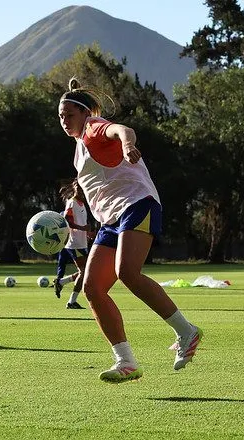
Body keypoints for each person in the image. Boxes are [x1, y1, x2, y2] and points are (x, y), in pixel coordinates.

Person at [58, 77, 202, 383]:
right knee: (93, 288)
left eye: (69, 114)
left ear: (85, 114)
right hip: (112, 220)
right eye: (60, 116)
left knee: (127, 273)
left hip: (137, 204)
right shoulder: (78, 148)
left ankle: (186, 331)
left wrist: (127, 144)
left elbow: (121, 130)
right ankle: (126, 361)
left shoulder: (94, 127)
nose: (64, 120)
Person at [52, 180, 93, 310]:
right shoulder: (72, 202)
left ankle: (61, 282)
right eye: (78, 189)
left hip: (81, 242)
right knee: (85, 271)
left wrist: (87, 233)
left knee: (86, 271)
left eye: (82, 189)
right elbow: (68, 222)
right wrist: (83, 228)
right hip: (74, 243)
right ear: (75, 189)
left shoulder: (82, 204)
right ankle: (71, 302)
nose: (81, 191)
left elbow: (79, 222)